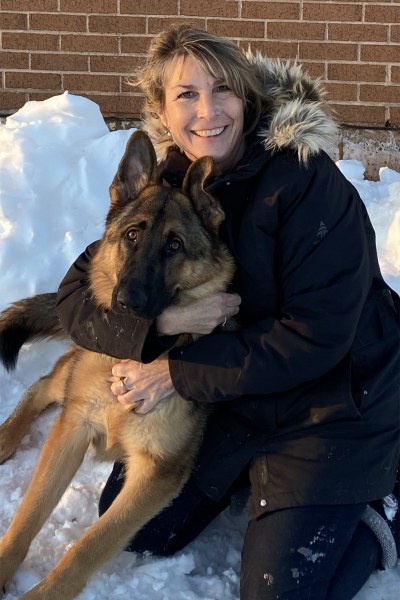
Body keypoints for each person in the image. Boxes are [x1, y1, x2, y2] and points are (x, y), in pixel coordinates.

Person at [56, 25, 400, 600]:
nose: (207, 111)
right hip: (237, 396)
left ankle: (381, 502)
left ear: (248, 96)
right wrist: (161, 326)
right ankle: (250, 474)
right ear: (163, 109)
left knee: (280, 591)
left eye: (223, 90)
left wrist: (173, 372)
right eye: (186, 94)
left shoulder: (306, 181)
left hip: (335, 399)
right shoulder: (166, 184)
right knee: (136, 522)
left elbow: (316, 339)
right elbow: (76, 297)